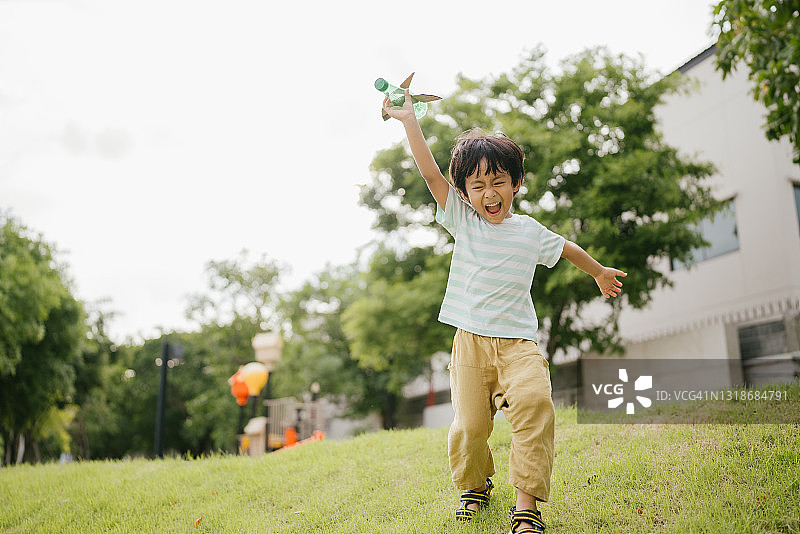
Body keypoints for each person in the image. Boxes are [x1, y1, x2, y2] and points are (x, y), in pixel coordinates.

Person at [382, 89, 626, 534]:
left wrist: (597, 272)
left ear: (516, 183)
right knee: (471, 428)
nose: (489, 193)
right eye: (477, 185)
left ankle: (526, 507)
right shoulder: (463, 220)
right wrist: (408, 120)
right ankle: (475, 486)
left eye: (498, 182)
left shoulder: (529, 231)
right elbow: (430, 173)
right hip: (470, 342)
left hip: (518, 343)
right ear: (465, 192)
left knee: (535, 405)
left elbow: (566, 247)